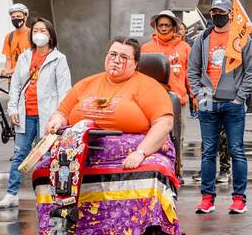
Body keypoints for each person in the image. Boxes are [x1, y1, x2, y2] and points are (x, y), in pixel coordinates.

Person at [46, 36, 174, 160]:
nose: (116, 60)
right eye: (112, 54)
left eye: (124, 57)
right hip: (77, 154)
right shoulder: (85, 84)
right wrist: (56, 121)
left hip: (132, 155)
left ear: (135, 63)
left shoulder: (149, 87)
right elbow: (61, 114)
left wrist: (141, 152)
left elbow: (164, 123)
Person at [188, 0, 252, 214]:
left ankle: (239, 199)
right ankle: (207, 198)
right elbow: (193, 70)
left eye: (221, 11)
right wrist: (200, 96)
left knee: (236, 150)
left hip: (232, 102)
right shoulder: (202, 38)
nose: (216, 15)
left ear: (230, 14)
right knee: (208, 151)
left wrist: (240, 97)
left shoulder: (241, 38)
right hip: (208, 101)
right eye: (213, 12)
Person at [2, 17, 72, 209]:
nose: (38, 34)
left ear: (51, 35)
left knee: (48, 157)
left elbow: (65, 91)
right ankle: (11, 193)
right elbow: (16, 85)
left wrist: (59, 116)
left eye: (43, 31)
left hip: (47, 117)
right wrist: (13, 109)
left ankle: (51, 196)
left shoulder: (58, 59)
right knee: (20, 155)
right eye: (36, 30)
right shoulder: (25, 57)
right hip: (25, 114)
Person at [141, 11, 193, 115]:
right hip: (152, 102)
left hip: (178, 101)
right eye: (161, 25)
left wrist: (195, 97)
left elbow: (190, 75)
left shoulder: (185, 47)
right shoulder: (146, 48)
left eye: (167, 25)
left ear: (174, 28)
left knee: (178, 131)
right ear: (156, 27)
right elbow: (140, 77)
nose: (164, 28)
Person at [0, 3, 32, 78]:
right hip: (13, 79)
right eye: (13, 17)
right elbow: (8, 60)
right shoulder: (9, 37)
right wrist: (6, 71)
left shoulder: (32, 35)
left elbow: (30, 61)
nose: (15, 19)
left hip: (28, 79)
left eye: (18, 16)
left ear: (25, 17)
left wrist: (12, 70)